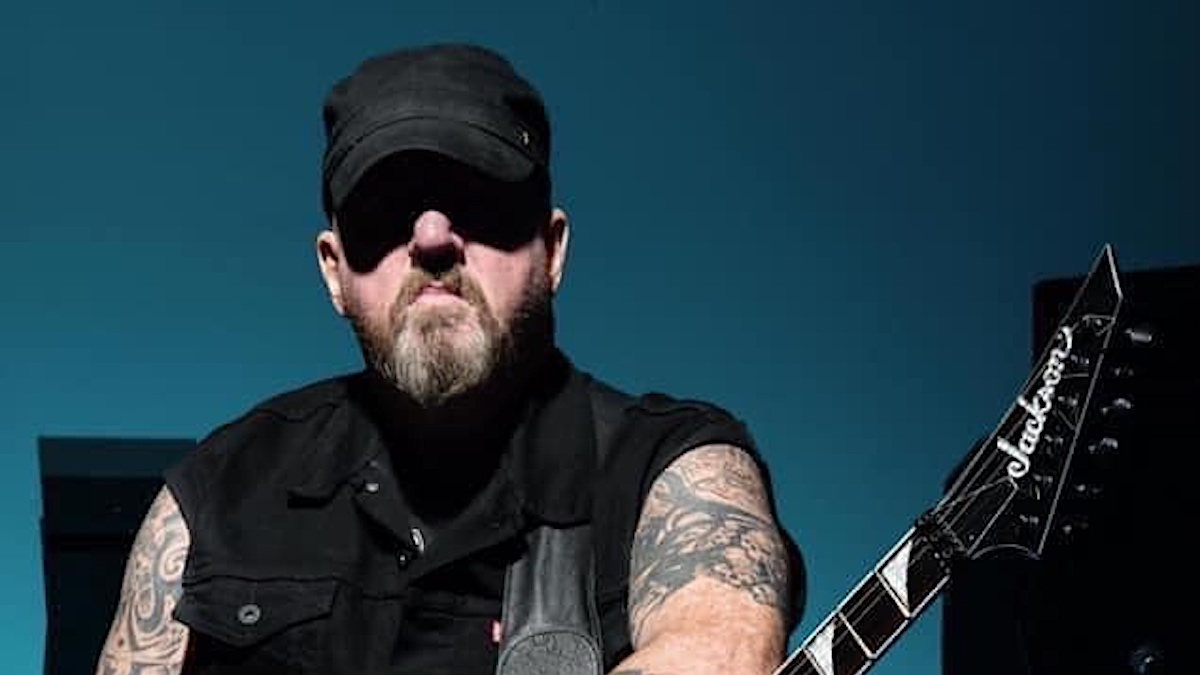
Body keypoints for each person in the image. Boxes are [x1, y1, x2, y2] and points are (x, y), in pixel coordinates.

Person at [94, 42, 805, 675]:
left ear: (552, 250)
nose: (433, 237)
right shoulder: (213, 496)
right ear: (335, 272)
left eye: (479, 198)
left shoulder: (671, 468)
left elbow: (717, 651)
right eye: (384, 211)